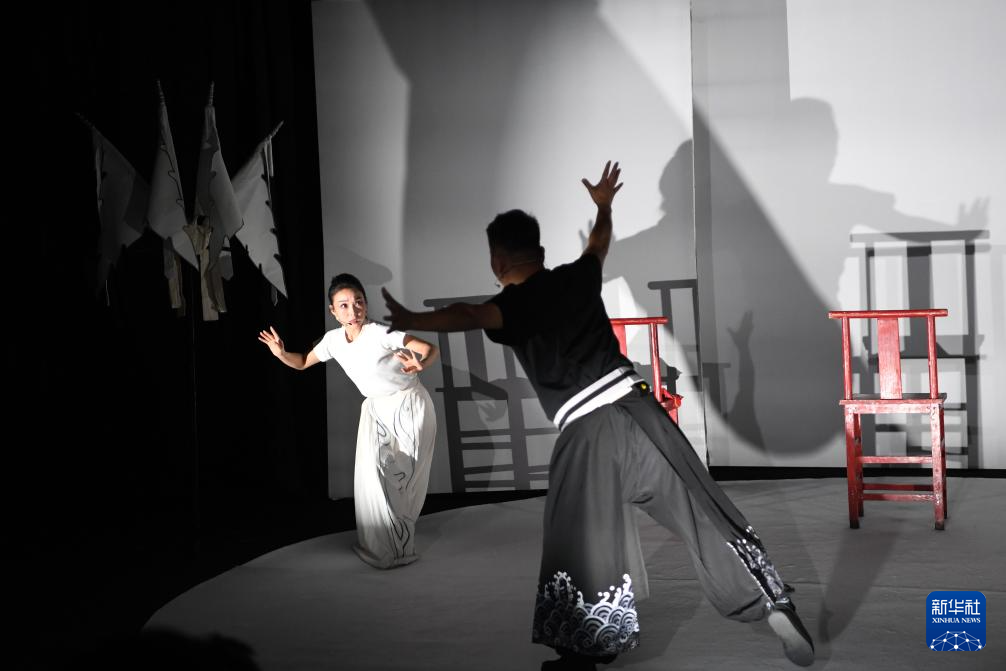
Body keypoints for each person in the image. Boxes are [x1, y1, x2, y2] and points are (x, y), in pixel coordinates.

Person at [382, 162, 814, 669]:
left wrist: (414, 319)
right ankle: (769, 600)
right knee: (699, 508)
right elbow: (598, 243)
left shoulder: (511, 305)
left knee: (579, 541)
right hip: (640, 413)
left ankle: (582, 652)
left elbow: (470, 314)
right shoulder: (578, 277)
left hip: (587, 435)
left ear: (497, 260)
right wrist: (604, 206)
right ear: (541, 252)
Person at [259, 273, 438, 569]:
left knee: (405, 480)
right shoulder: (333, 341)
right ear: (333, 311)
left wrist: (422, 362)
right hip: (376, 411)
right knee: (376, 478)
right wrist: (280, 353)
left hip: (408, 405)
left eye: (358, 303)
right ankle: (385, 547)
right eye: (344, 305)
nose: (353, 310)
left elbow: (430, 349)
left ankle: (400, 543)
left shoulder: (381, 332)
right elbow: (302, 362)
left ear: (365, 304)